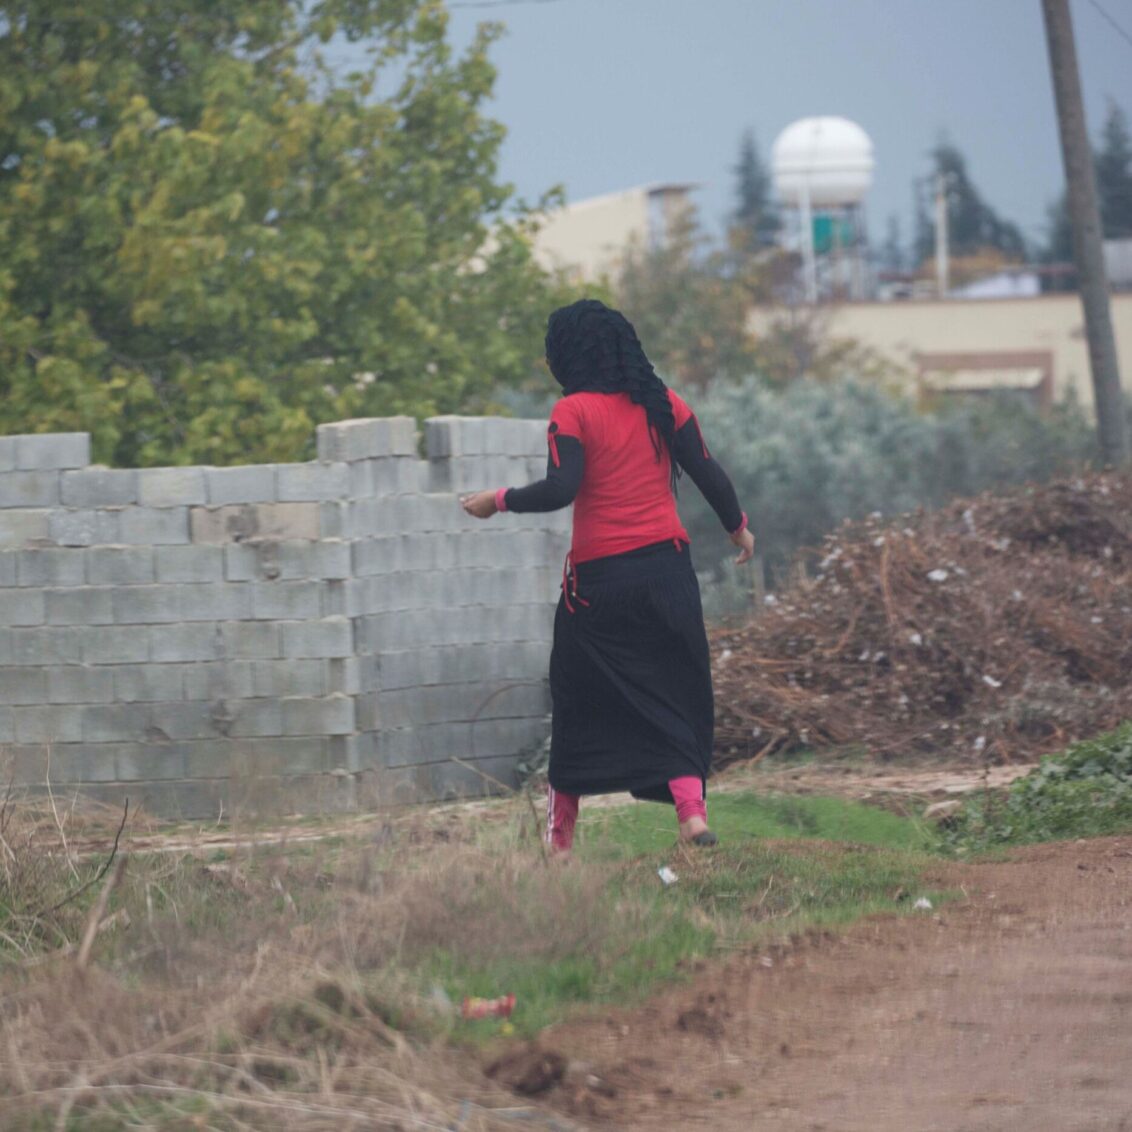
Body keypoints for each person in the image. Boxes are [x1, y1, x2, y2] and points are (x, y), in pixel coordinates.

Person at [461, 299, 754, 856]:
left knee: (577, 700)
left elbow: (559, 489)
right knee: (677, 690)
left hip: (599, 586)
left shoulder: (572, 412)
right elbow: (708, 472)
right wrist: (738, 529)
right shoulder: (663, 404)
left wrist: (495, 500)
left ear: (568, 355)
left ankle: (559, 841)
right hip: (668, 575)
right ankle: (692, 816)